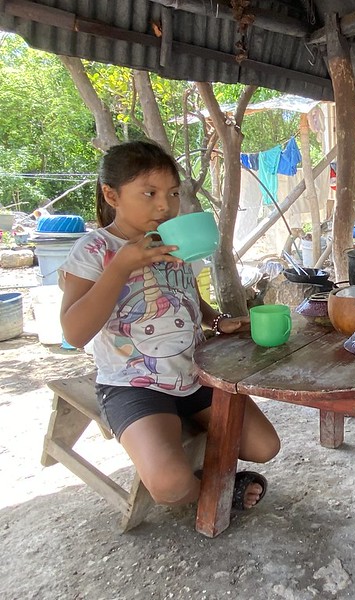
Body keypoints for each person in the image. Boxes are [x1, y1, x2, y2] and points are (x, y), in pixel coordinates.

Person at [60, 140, 280, 513]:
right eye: (149, 193)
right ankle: (214, 487)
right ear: (111, 195)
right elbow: (74, 332)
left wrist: (216, 320)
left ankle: (203, 464)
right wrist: (121, 266)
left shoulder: (173, 241)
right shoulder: (94, 250)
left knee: (265, 446)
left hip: (194, 374)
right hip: (133, 385)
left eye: (173, 193)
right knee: (170, 486)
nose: (165, 205)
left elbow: (185, 292)